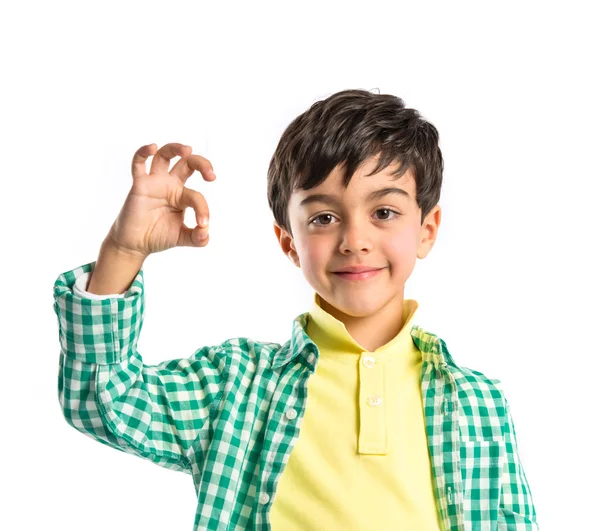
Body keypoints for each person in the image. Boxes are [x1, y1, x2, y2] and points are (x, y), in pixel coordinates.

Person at [53, 89, 537, 530]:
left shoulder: (479, 402)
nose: (355, 241)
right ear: (289, 242)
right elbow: (105, 401)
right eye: (324, 218)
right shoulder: (235, 384)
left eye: (384, 213)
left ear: (427, 230)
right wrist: (123, 250)